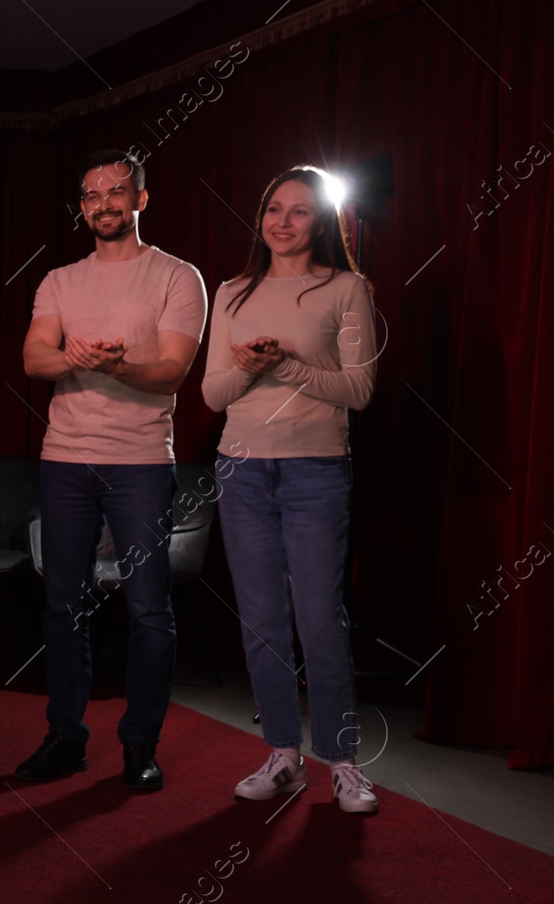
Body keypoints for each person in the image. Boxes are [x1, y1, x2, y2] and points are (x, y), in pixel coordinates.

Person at [17, 148, 206, 792]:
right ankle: (66, 739)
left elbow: (173, 372)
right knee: (63, 607)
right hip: (65, 462)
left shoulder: (179, 278)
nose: (104, 203)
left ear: (140, 200)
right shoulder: (60, 282)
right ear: (82, 207)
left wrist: (116, 366)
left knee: (149, 609)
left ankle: (139, 745)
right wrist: (73, 354)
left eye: (117, 192)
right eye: (92, 194)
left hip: (142, 464)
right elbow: (33, 361)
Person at [201, 165, 379, 814]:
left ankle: (343, 762)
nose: (282, 221)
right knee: (263, 622)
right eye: (273, 208)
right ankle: (283, 755)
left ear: (322, 222)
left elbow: (359, 389)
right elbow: (212, 394)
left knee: (320, 620)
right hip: (241, 470)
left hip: (316, 471)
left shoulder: (346, 288)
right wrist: (247, 369)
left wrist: (287, 363)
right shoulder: (231, 292)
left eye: (299, 211)